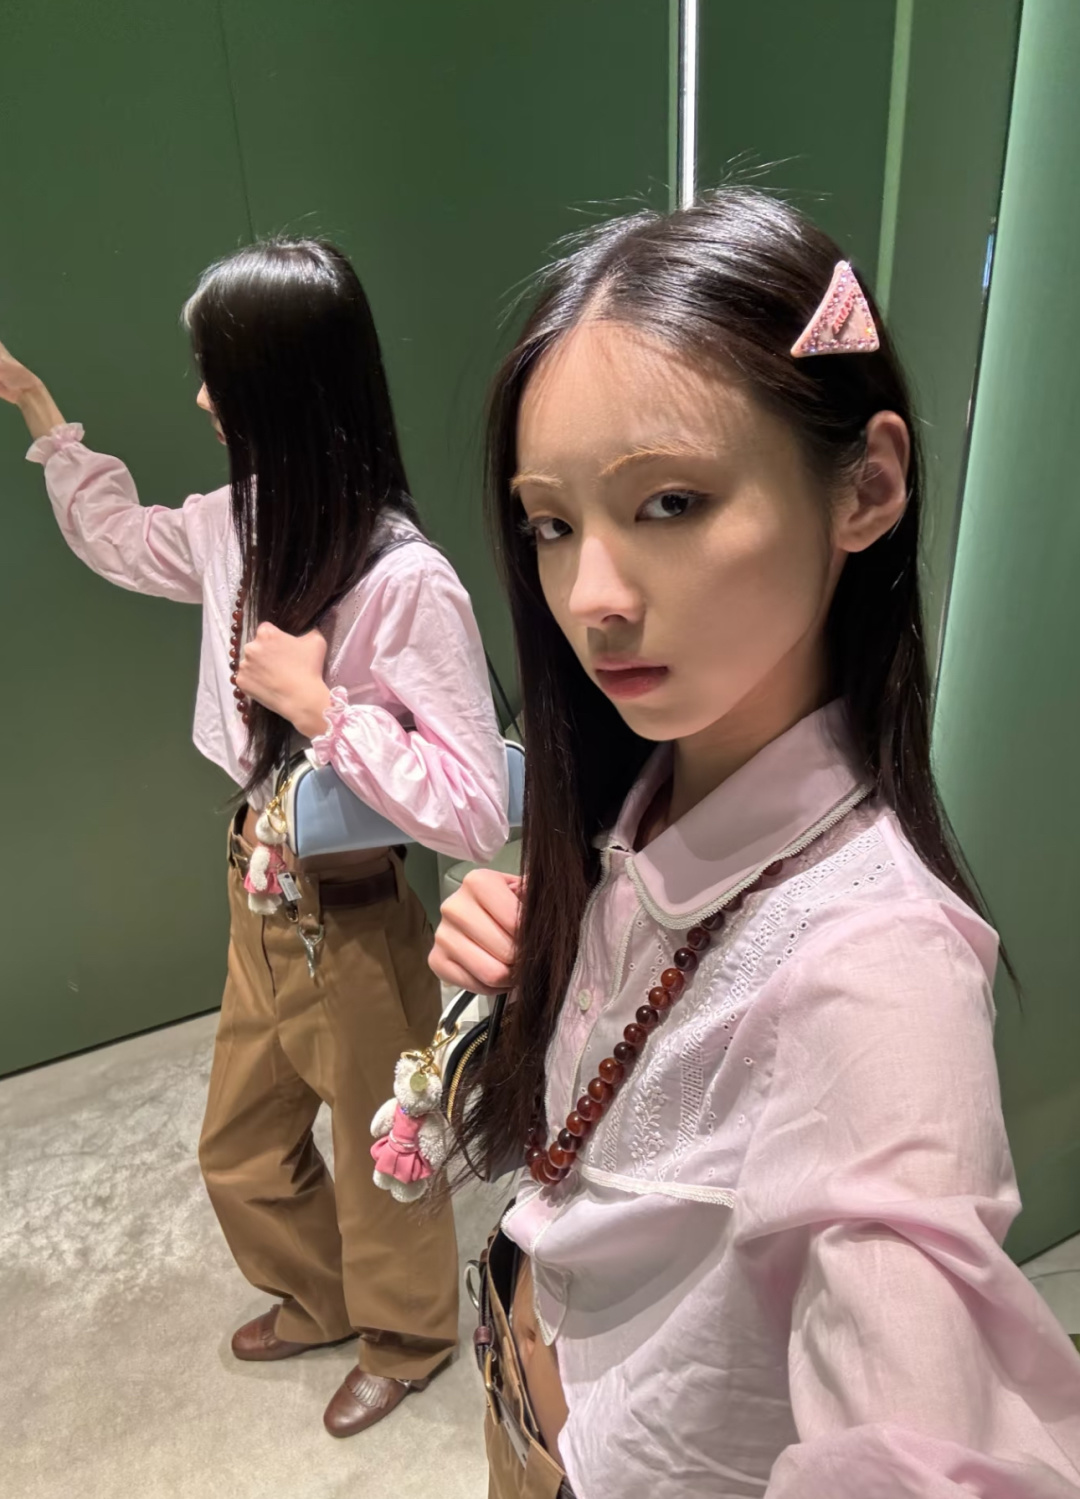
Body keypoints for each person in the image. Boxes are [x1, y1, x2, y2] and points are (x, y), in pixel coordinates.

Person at [429, 189, 1080, 1496]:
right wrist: (539, 961)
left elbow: (910, 1434)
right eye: (552, 522)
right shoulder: (641, 792)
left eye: (670, 500)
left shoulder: (876, 975)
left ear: (868, 486)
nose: (590, 596)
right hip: (538, 1392)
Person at [1, 238, 509, 1437]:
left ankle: (408, 1335)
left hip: (354, 905)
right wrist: (39, 412)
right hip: (257, 888)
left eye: (215, 372)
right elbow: (124, 540)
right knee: (237, 1141)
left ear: (281, 383)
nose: (198, 398)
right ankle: (321, 1294)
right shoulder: (238, 516)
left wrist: (324, 708)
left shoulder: (403, 579)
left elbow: (477, 805)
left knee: (385, 1143)